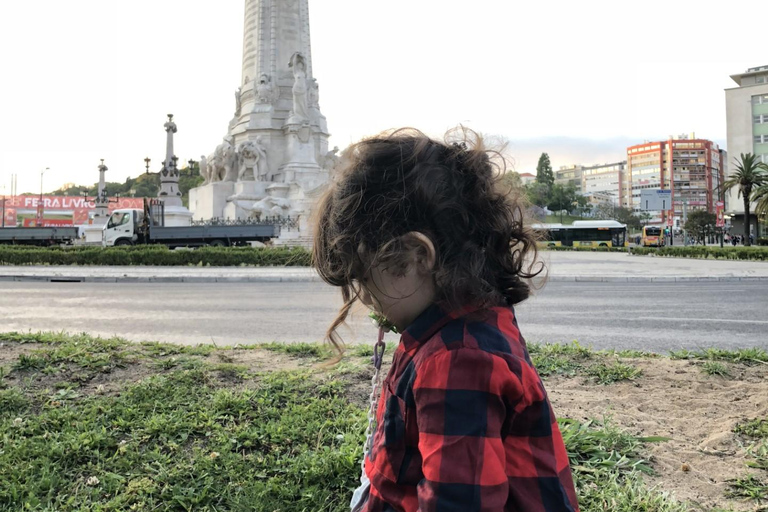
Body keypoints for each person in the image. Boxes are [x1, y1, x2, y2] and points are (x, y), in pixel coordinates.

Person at [312, 128, 579, 512]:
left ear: (418, 256)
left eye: (364, 275)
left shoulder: (457, 360)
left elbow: (457, 502)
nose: (365, 295)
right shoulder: (465, 320)